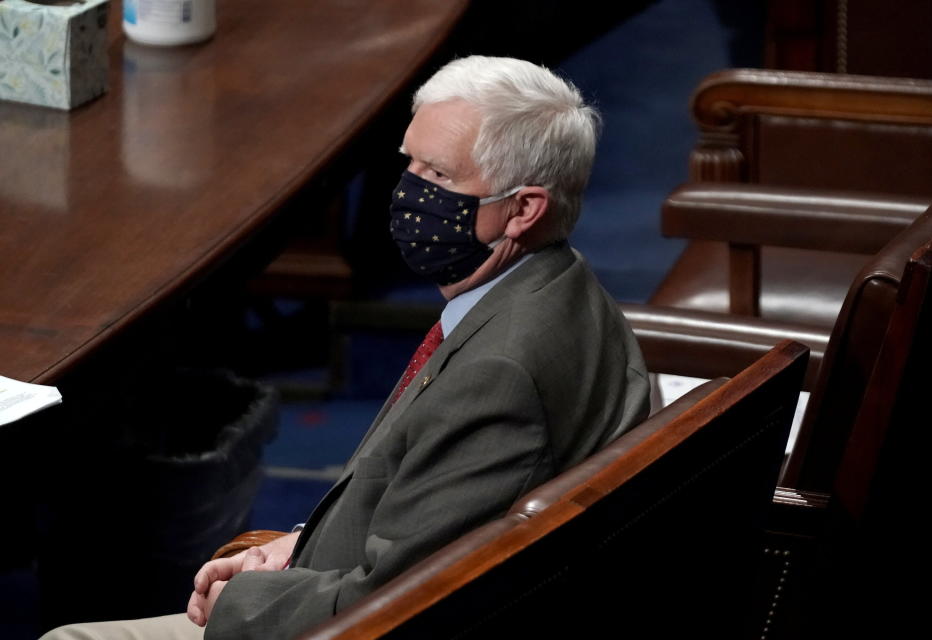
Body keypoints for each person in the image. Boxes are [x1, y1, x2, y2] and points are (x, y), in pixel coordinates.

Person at [42, 55, 650, 640]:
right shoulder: (561, 288)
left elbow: (396, 605)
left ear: (523, 209)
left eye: (438, 175)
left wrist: (244, 604)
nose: (409, 193)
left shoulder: (500, 373)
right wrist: (299, 544)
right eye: (409, 164)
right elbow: (432, 514)